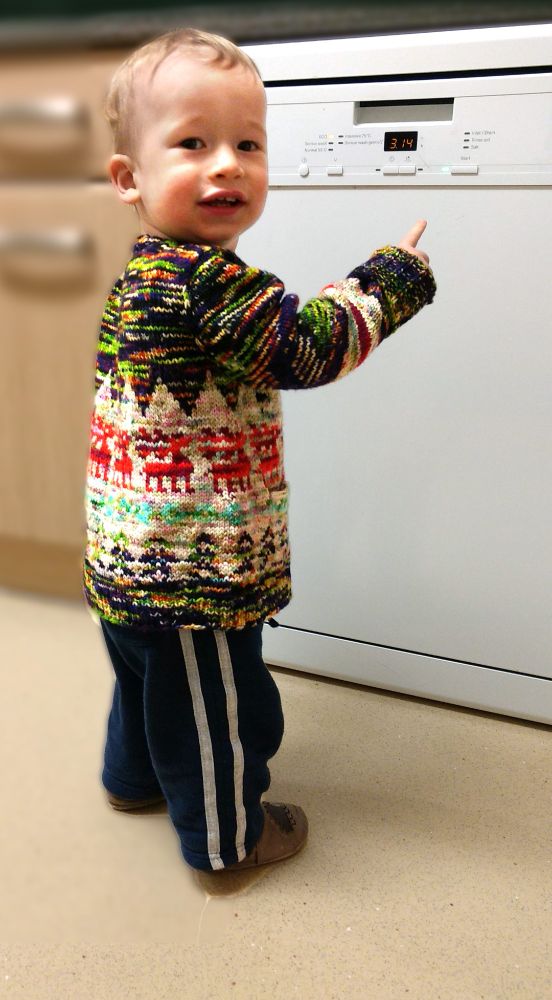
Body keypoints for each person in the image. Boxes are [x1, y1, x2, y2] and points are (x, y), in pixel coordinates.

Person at [83, 27, 436, 874]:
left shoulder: (151, 273)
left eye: (248, 143)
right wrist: (390, 279)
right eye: (193, 142)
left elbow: (270, 334)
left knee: (147, 690)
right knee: (223, 708)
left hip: (129, 559)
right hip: (191, 574)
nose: (227, 164)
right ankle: (226, 839)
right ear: (129, 178)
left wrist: (307, 308)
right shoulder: (212, 281)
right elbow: (309, 348)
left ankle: (130, 780)